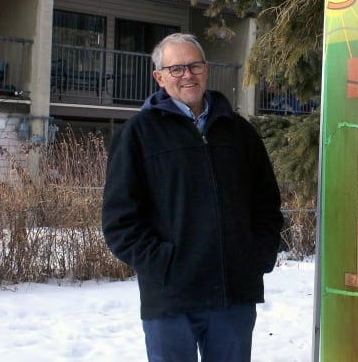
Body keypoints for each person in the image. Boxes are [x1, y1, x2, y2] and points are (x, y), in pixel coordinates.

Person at [101, 33, 284, 362]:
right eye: (177, 68)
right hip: (171, 299)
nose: (188, 75)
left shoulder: (239, 132)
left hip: (233, 297)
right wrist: (164, 264)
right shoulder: (137, 135)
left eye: (195, 65)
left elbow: (267, 203)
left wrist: (256, 256)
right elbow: (119, 222)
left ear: (206, 69)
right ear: (159, 77)